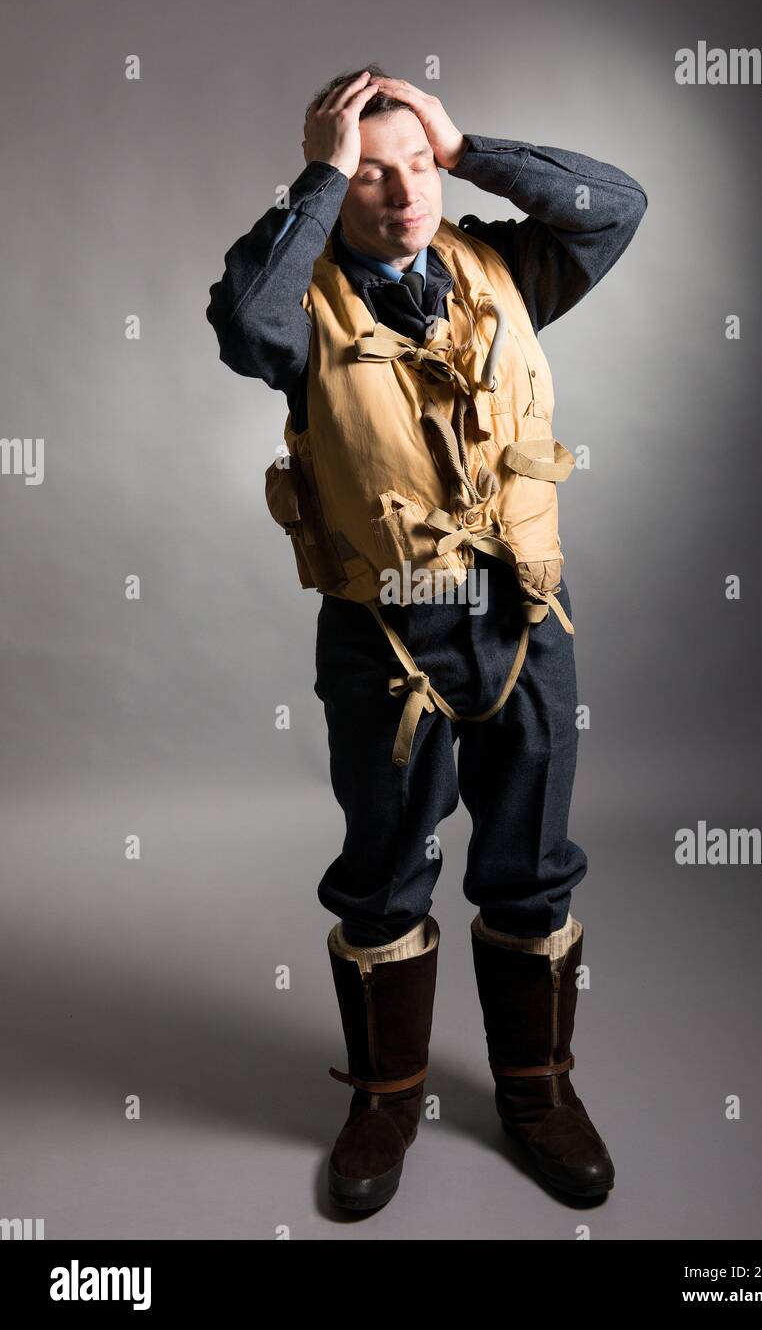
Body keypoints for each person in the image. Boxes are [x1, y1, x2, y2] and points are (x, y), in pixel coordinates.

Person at [206, 66, 647, 1211]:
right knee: (385, 876)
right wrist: (320, 169)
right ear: (331, 184)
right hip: (384, 638)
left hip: (521, 625)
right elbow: (242, 322)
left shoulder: (506, 267)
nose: (402, 195)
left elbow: (617, 204)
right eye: (370, 175)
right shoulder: (300, 301)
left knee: (532, 869)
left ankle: (537, 1092)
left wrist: (465, 146)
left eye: (416, 169)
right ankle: (386, 1097)